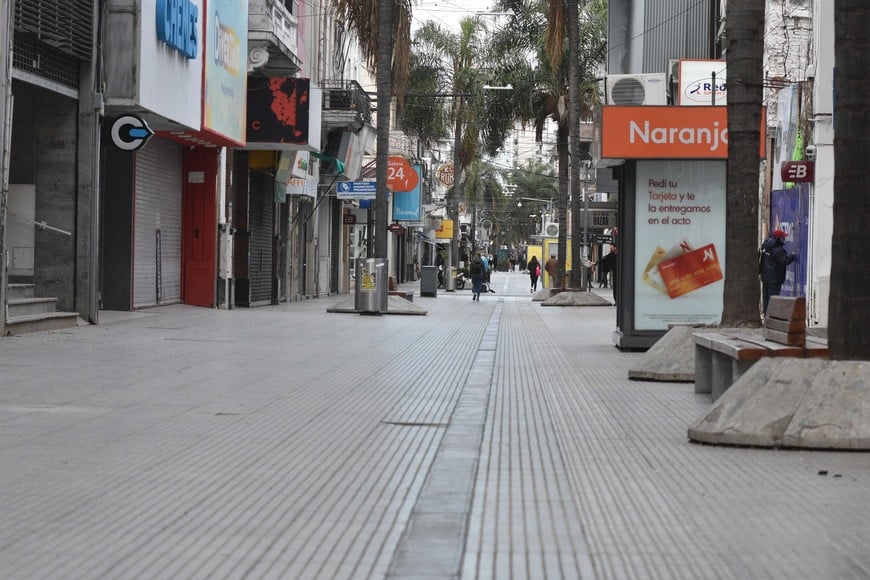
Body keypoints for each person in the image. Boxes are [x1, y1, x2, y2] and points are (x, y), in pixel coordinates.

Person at [759, 229, 797, 316]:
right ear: (779, 238)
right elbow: (784, 261)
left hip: (765, 277)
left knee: (766, 297)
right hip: (774, 278)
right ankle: (771, 316)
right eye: (783, 237)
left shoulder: (766, 246)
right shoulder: (778, 250)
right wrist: (792, 256)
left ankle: (766, 315)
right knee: (773, 299)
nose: (784, 239)